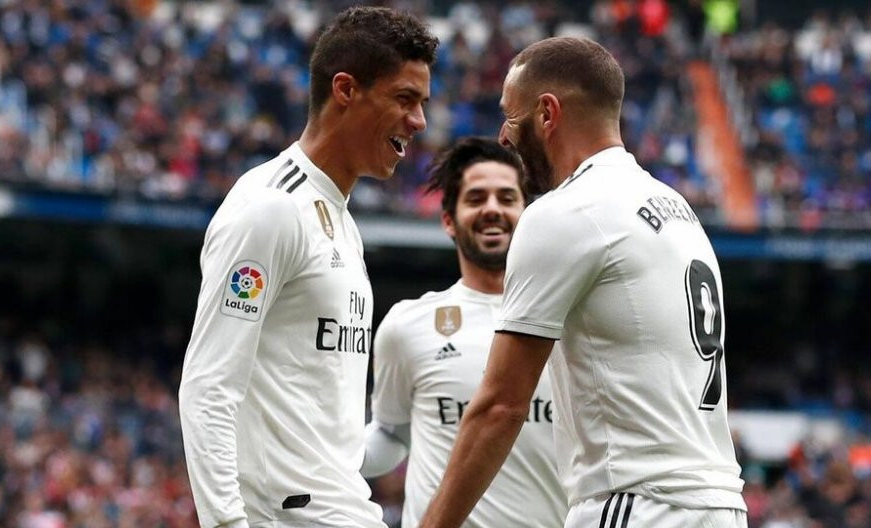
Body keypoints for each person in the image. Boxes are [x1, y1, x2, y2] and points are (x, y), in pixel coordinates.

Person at [419, 37, 747, 528]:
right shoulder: (675, 207)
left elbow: (501, 406)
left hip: (638, 502)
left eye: (511, 117)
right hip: (718, 503)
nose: (504, 138)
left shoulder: (566, 211)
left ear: (547, 113)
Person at [178, 8, 437, 528]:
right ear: (345, 89)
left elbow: (320, 429)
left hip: (345, 511)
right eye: (404, 99)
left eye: (422, 104)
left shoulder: (342, 223)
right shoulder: (271, 208)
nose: (419, 121)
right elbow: (207, 388)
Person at [361, 137, 567, 527]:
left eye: (507, 198)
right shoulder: (408, 325)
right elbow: (391, 436)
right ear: (449, 221)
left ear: (528, 214)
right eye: (476, 198)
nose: (492, 208)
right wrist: (322, 452)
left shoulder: (572, 326)